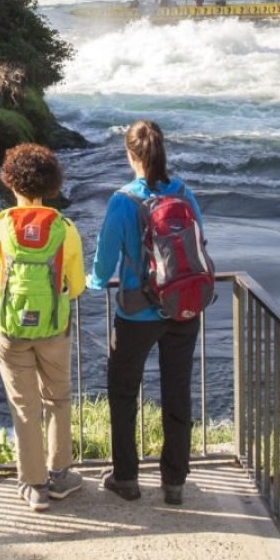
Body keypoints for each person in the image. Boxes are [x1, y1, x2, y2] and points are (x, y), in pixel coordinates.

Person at [88, 120, 205, 506]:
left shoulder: (123, 201)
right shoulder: (184, 193)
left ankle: (126, 478)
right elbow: (198, 243)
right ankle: (174, 482)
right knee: (177, 393)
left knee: (123, 395)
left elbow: (105, 265)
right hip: (183, 310)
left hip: (137, 314)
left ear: (130, 155)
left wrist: (91, 282)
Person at [0, 143, 86, 511]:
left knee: (25, 406)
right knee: (58, 399)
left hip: (10, 330)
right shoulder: (65, 229)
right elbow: (78, 286)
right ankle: (60, 476)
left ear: (11, 182)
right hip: (54, 328)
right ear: (51, 184)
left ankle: (34, 485)